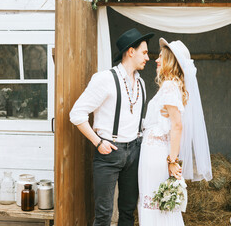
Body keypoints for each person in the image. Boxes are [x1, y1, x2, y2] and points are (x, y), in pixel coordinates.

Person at [69, 28, 154, 226]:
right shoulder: (104, 79)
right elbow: (76, 114)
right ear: (130, 52)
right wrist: (98, 142)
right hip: (108, 153)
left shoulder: (141, 83)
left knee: (128, 210)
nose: (148, 58)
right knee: (104, 214)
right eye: (144, 52)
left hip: (134, 151)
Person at [138, 38, 213, 226]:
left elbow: (177, 125)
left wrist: (172, 161)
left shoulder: (170, 86)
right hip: (153, 153)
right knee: (158, 207)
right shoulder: (171, 86)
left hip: (157, 155)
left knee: (157, 208)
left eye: (161, 57)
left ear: (171, 61)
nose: (156, 60)